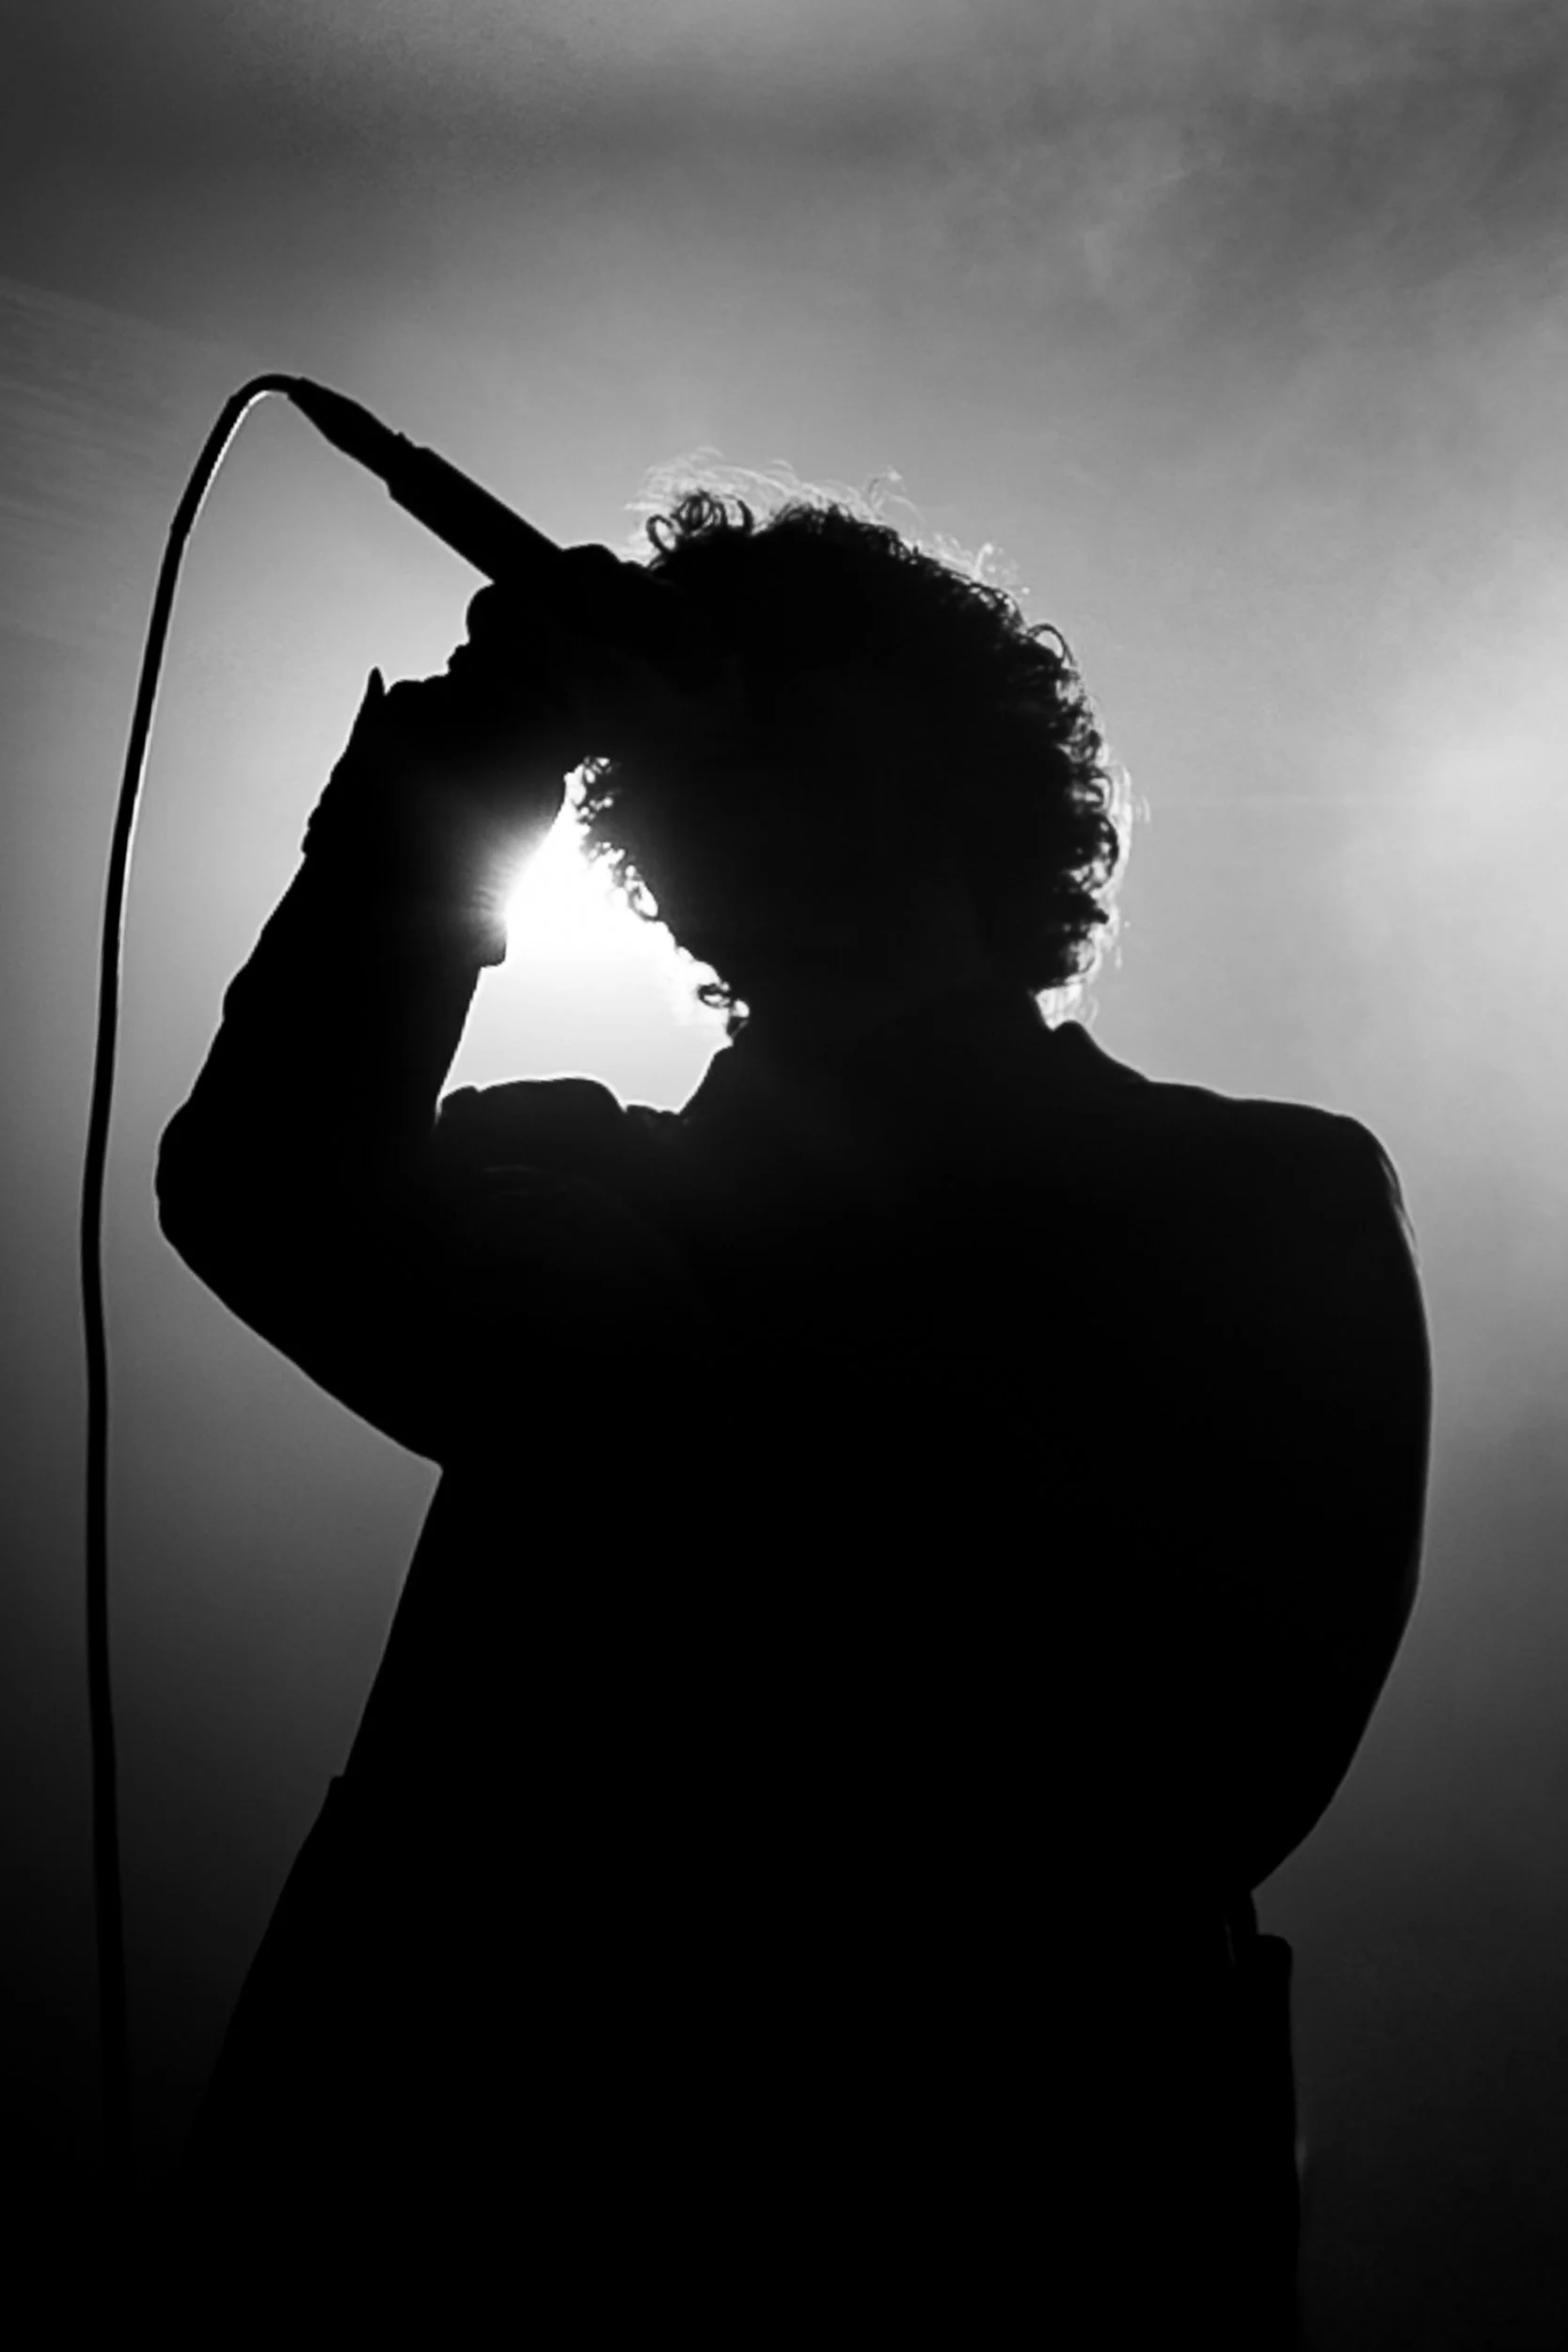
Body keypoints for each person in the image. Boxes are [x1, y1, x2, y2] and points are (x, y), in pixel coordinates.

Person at [155, 482, 1431, 2337]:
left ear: (941, 757)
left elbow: (1216, 1764)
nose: (730, 724)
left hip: (971, 2213)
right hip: (459, 2195)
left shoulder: (1253, 1195)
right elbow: (262, 1192)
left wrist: (692, 1396)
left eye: (792, 679)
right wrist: (461, 766)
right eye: (706, 695)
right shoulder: (571, 1179)